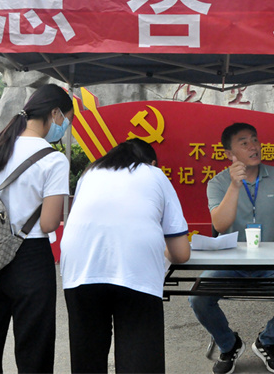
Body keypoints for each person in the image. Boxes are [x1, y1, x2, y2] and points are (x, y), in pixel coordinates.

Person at [189, 123, 274, 374]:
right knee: (198, 297)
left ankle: (267, 341)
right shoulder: (217, 183)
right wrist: (235, 186)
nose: (253, 146)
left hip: (271, 264)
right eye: (244, 142)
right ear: (229, 153)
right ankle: (229, 344)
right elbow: (220, 224)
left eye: (255, 140)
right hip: (230, 264)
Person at [0, 84, 73, 373]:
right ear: (54, 113)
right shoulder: (53, 159)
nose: (65, 126)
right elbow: (49, 223)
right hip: (30, 258)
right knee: (34, 350)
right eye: (66, 120)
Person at [60, 138, 191, 373]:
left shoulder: (90, 174)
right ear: (151, 162)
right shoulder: (154, 174)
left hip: (80, 270)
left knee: (87, 356)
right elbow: (181, 253)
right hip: (136, 271)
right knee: (139, 358)